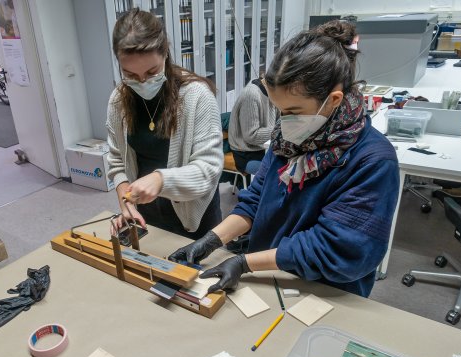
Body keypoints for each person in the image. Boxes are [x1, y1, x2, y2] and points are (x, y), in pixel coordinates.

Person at [169, 20, 400, 298]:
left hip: (324, 290)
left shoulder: (372, 161)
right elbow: (256, 201)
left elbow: (337, 249)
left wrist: (244, 262)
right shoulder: (287, 141)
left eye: (293, 110)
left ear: (334, 99)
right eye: (279, 111)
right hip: (267, 273)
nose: (284, 122)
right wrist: (210, 240)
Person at [107, 8, 224, 240]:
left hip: (192, 217)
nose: (142, 81)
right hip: (146, 215)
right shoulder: (118, 101)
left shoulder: (196, 96)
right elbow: (117, 161)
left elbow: (208, 170)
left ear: (166, 52)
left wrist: (161, 180)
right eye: (130, 74)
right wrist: (125, 199)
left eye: (152, 71)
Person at [227, 78, 279, 180]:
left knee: (293, 165)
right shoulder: (251, 95)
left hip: (264, 149)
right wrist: (280, 130)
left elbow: (278, 122)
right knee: (279, 173)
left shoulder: (274, 94)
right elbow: (251, 136)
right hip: (245, 154)